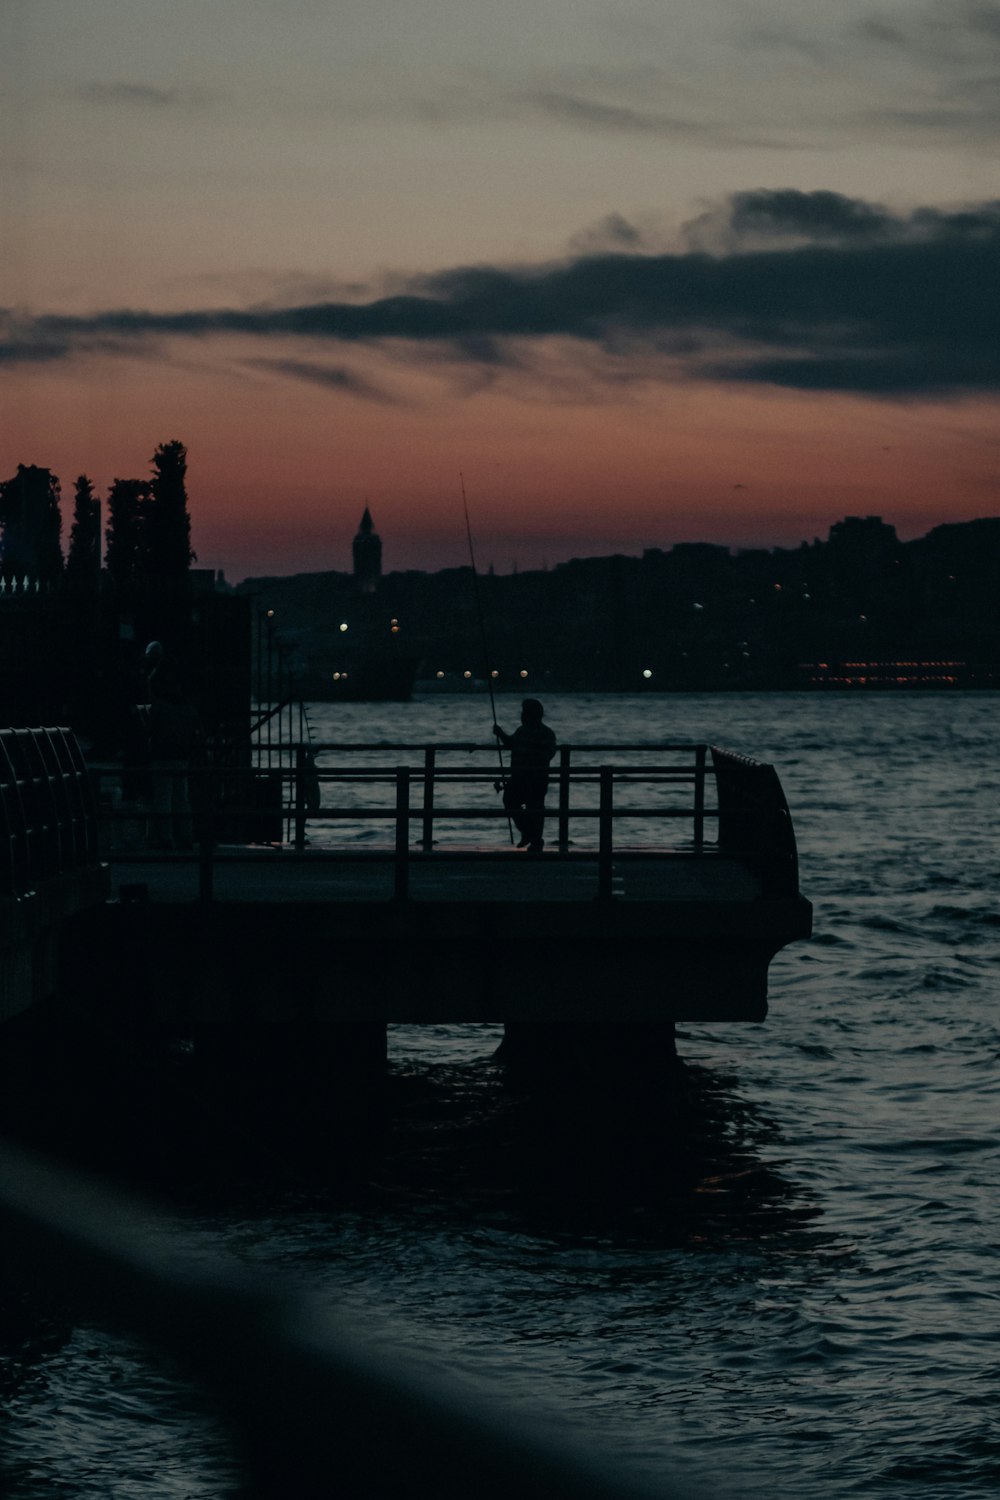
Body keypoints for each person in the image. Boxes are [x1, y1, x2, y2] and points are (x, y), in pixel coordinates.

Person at [144, 640, 198, 850]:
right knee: (181, 797)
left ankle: (165, 838)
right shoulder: (187, 708)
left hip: (161, 754)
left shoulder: (159, 706)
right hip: (182, 754)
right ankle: (186, 837)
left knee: (163, 797)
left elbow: (149, 730)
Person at [492, 698, 557, 854]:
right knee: (513, 802)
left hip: (534, 779)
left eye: (524, 712)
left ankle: (533, 838)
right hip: (521, 777)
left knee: (533, 807)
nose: (522, 715)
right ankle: (530, 834)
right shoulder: (523, 731)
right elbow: (511, 744)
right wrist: (500, 733)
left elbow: (548, 754)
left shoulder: (545, 733)